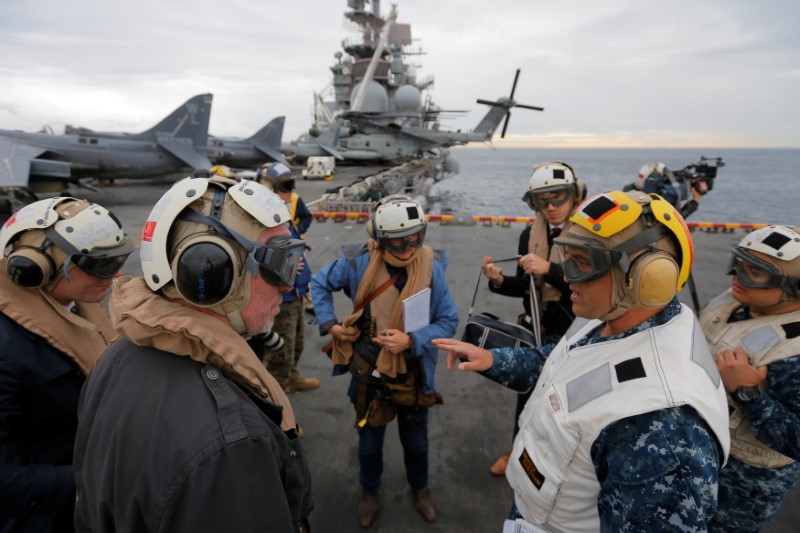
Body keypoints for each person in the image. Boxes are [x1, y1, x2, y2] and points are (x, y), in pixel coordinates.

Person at [434, 190, 731, 531]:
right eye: (567, 257)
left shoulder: (662, 422)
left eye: (583, 262)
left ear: (649, 276)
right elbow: (564, 359)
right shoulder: (605, 312)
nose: (567, 274)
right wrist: (492, 359)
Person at [72, 176, 313, 532]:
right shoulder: (231, 446)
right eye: (279, 263)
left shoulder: (117, 354)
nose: (289, 284)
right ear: (214, 271)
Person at [311, 194, 458, 527]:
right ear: (379, 239)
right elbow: (319, 283)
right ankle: (369, 493)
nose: (407, 248)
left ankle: (421, 490)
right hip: (369, 372)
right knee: (368, 444)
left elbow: (448, 320)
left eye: (414, 239)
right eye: (396, 241)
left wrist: (412, 340)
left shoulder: (432, 268)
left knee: (417, 443)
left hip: (413, 372)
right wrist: (330, 323)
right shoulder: (359, 262)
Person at [0, 197, 133, 532]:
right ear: (36, 265)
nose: (115, 274)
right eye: (100, 265)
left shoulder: (76, 306)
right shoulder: (7, 347)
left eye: (118, 260)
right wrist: (93, 486)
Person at [481, 160, 584, 476]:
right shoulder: (530, 235)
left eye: (559, 198)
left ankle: (565, 465)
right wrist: (499, 280)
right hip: (539, 331)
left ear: (573, 195)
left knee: (570, 407)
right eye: (543, 200)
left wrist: (550, 270)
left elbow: (594, 290)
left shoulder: (589, 233)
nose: (551, 207)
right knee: (526, 400)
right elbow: (526, 287)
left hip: (576, 333)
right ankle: (517, 453)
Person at [701, 225, 800, 531]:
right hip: (702, 443)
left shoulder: (792, 352)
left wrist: (747, 392)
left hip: (745, 477)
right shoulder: (736, 302)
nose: (736, 277)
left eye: (754, 272)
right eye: (738, 264)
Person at [254, 161, 318, 392]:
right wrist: (279, 267)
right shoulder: (260, 219)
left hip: (297, 294)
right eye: (286, 186)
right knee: (280, 354)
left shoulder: (280, 214)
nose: (292, 192)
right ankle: (277, 405)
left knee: (296, 346)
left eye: (292, 185)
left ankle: (291, 378)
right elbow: (251, 257)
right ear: (268, 189)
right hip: (281, 299)